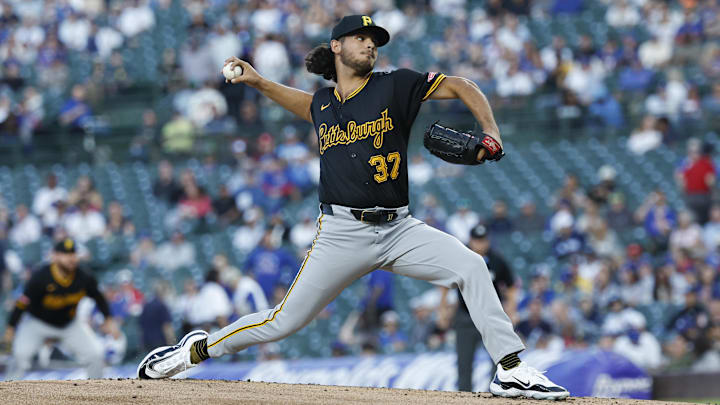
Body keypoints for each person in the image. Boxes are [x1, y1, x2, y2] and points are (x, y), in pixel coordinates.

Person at [137, 15, 568, 400]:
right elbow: (304, 105)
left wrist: (490, 130)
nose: (370, 44)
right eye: (361, 37)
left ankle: (510, 369)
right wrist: (259, 82)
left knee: (472, 266)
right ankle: (193, 351)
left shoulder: (395, 85)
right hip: (342, 232)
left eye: (374, 39)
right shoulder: (324, 104)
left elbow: (462, 85)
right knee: (283, 321)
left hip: (401, 230)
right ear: (337, 47)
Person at [3, 238, 119, 380]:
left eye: (73, 254)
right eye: (66, 254)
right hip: (38, 324)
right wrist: (11, 328)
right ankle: (6, 395)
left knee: (95, 354)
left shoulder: (84, 276)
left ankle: (97, 394)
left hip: (69, 325)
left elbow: (98, 297)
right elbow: (22, 303)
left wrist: (108, 319)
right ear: (55, 256)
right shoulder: (41, 277)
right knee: (20, 354)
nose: (71, 258)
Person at [440, 224, 516, 392]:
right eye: (476, 240)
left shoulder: (497, 260)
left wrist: (511, 310)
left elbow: (511, 286)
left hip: (491, 318)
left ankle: (495, 396)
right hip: (466, 317)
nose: (480, 244)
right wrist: (443, 310)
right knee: (464, 363)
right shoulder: (461, 258)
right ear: (471, 241)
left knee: (498, 362)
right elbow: (444, 283)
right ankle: (464, 397)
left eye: (482, 240)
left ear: (488, 241)